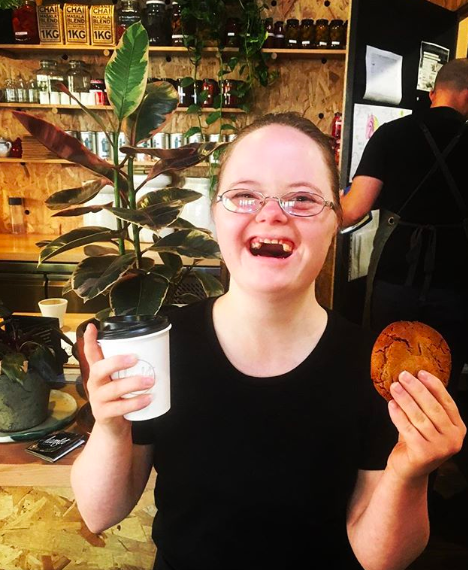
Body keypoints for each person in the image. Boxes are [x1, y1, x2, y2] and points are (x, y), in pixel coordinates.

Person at [71, 112, 466, 570]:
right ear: (215, 215)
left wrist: (409, 471)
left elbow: (383, 560)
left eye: (302, 199)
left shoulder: (377, 371)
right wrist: (111, 425)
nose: (272, 214)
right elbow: (100, 513)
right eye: (244, 195)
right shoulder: (162, 347)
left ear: (336, 221)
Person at [341, 58, 468, 399]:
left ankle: (383, 442)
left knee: (384, 368)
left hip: (394, 274)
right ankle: (435, 445)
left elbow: (353, 210)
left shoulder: (391, 134)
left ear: (433, 93)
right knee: (444, 374)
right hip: (455, 281)